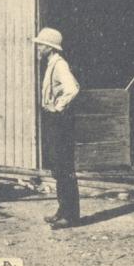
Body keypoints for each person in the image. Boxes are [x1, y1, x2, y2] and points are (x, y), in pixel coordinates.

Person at [33, 27, 81, 229]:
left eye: (41, 45)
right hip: (53, 119)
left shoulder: (60, 65)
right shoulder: (51, 64)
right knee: (58, 168)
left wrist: (58, 107)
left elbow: (73, 88)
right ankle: (62, 211)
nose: (38, 48)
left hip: (60, 120)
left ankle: (70, 216)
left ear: (50, 47)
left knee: (64, 168)